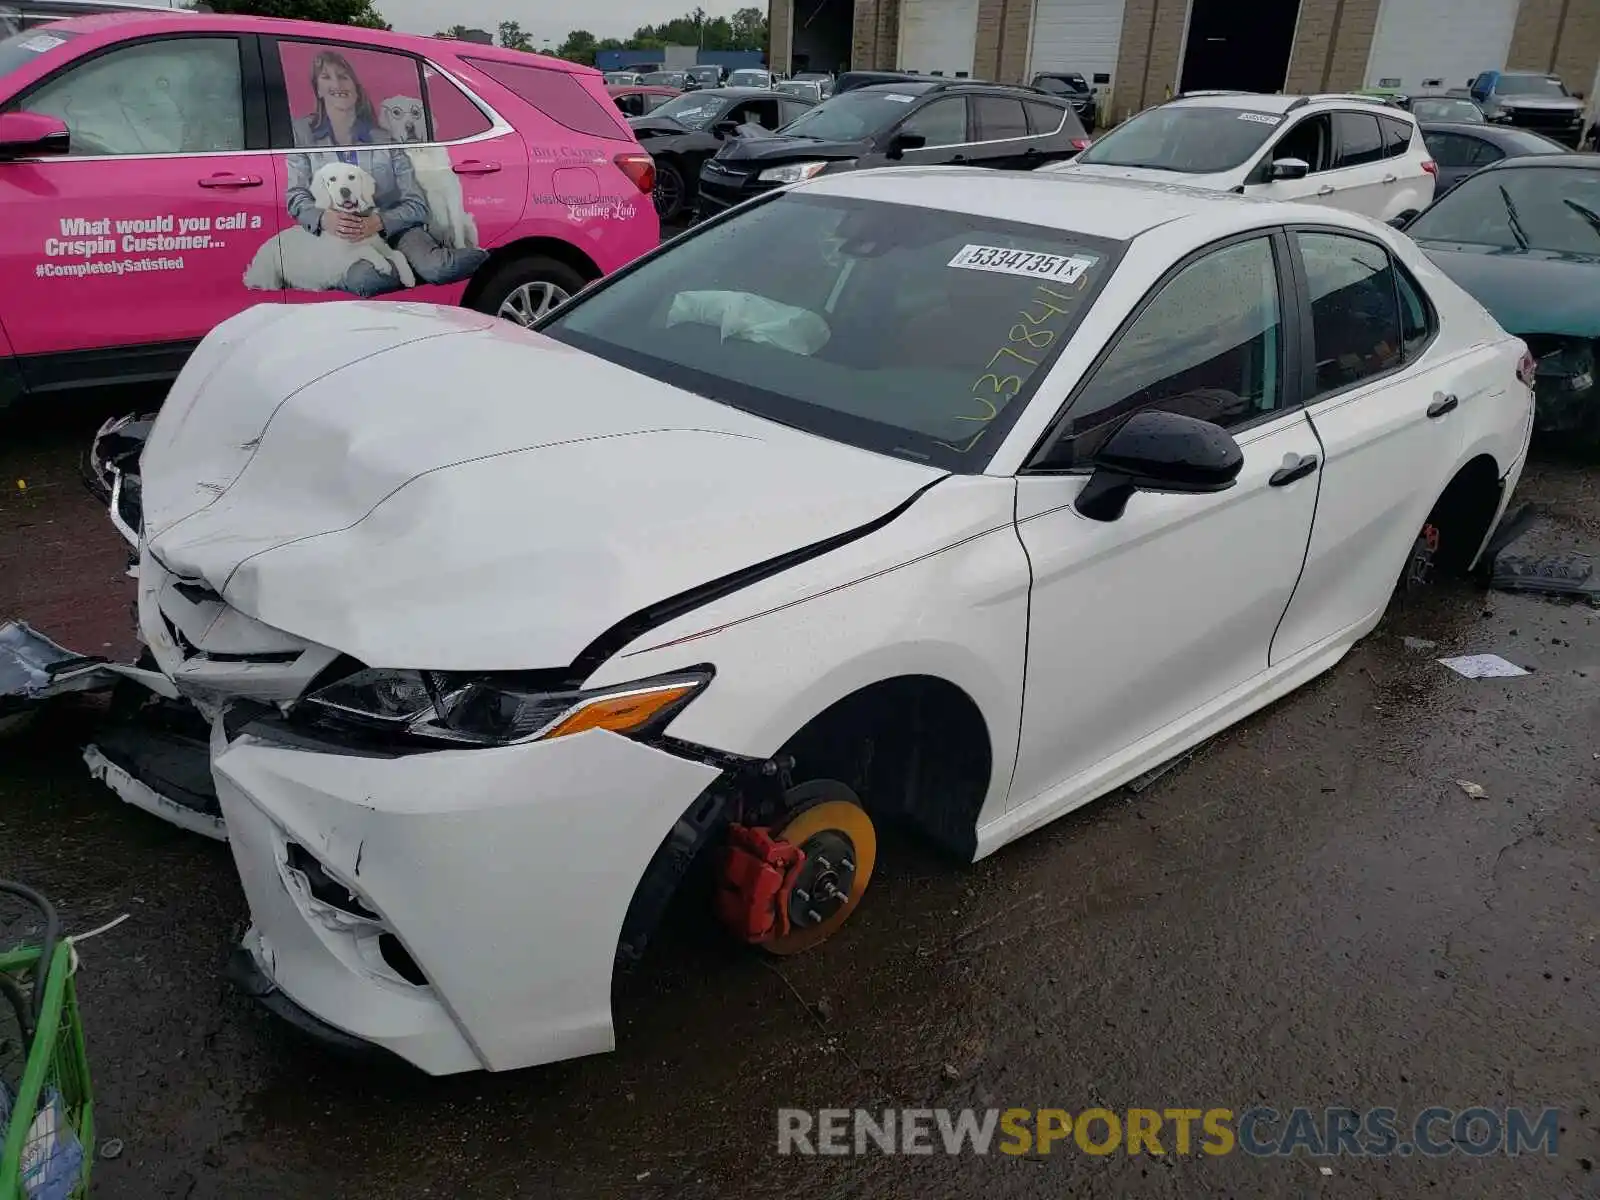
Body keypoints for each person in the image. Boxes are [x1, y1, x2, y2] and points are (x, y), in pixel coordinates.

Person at [284, 50, 485, 296]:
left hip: (396, 228)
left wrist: (379, 222)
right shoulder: (301, 133)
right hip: (339, 235)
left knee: (438, 269)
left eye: (343, 76)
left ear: (356, 88)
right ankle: (400, 270)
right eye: (326, 77)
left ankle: (496, 257)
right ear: (317, 88)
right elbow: (296, 196)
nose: (337, 83)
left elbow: (416, 204)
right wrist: (323, 219)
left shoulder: (383, 137)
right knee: (367, 279)